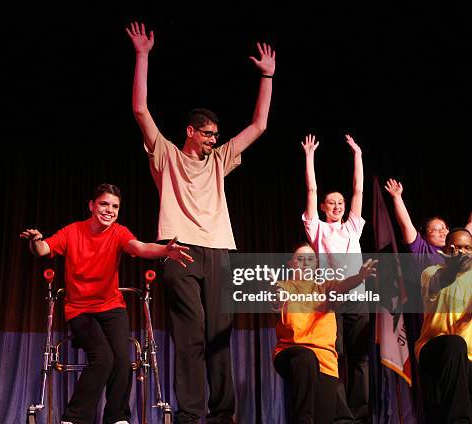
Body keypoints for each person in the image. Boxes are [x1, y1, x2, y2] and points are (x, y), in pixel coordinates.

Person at [126, 21, 275, 424]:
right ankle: (191, 414)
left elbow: (259, 126)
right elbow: (140, 109)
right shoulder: (167, 155)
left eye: (215, 136)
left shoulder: (220, 161)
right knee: (190, 338)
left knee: (219, 338)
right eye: (207, 134)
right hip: (181, 251)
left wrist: (267, 75)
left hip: (220, 251)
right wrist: (142, 56)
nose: (213, 140)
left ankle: (222, 414)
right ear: (191, 132)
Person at [20, 183, 193, 424]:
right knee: (103, 358)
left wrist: (165, 249)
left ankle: (117, 418)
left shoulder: (119, 232)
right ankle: (74, 418)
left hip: (112, 306)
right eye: (104, 204)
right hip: (80, 310)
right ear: (91, 205)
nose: (109, 210)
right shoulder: (73, 231)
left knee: (123, 360)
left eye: (115, 206)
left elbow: (140, 247)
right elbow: (43, 250)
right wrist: (36, 240)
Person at [300, 133, 370, 423]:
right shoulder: (317, 230)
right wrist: (309, 156)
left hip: (357, 298)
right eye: (331, 203)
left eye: (339, 202)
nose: (337, 206)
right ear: (322, 209)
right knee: (335, 354)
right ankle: (341, 415)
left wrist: (358, 155)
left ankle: (360, 414)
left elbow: (358, 191)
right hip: (330, 298)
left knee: (359, 358)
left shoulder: (352, 227)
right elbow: (311, 188)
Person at [273, 243, 378, 424]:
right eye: (300, 259)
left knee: (325, 417)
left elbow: (341, 286)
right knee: (305, 357)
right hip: (291, 352)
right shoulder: (284, 285)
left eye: (310, 259)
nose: (305, 263)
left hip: (325, 360)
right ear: (292, 264)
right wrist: (277, 295)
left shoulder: (324, 287)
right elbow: (275, 297)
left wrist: (359, 277)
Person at [414, 227, 472, 423]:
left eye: (467, 248)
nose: (462, 253)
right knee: (455, 345)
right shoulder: (431, 273)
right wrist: (454, 268)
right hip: (435, 349)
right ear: (445, 251)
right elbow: (439, 282)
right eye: (456, 248)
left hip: (467, 358)